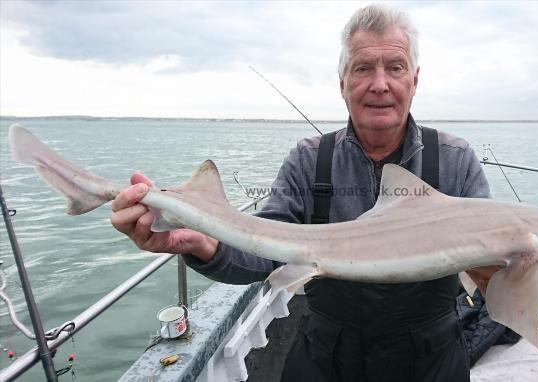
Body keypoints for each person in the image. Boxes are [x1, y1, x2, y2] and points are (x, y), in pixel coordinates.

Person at [111, 4, 491, 382]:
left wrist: (502, 269)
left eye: (395, 67)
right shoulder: (310, 160)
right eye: (362, 68)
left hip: (430, 356)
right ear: (342, 83)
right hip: (328, 355)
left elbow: (495, 281)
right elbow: (263, 254)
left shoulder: (455, 161)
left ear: (415, 79)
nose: (380, 84)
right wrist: (203, 245)